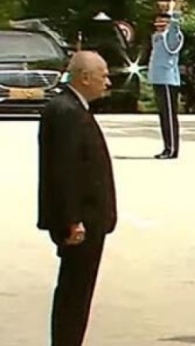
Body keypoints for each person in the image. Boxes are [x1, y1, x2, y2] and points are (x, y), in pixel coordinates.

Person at [38, 51, 117, 346]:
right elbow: (64, 170)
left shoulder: (73, 108)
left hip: (87, 217)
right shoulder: (67, 112)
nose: (107, 82)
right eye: (103, 75)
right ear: (84, 77)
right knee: (74, 293)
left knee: (77, 292)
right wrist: (72, 219)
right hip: (81, 220)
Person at [147, 0, 185, 159]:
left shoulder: (171, 37)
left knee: (169, 116)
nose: (159, 24)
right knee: (163, 116)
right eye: (157, 21)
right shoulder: (156, 37)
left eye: (163, 21)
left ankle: (172, 149)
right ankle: (167, 147)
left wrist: (176, 8)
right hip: (158, 79)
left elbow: (175, 26)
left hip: (168, 79)